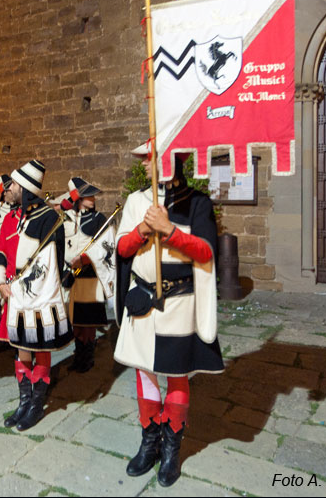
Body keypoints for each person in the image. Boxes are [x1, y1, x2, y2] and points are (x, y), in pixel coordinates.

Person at [114, 147, 224, 486]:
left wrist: (170, 230)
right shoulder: (136, 200)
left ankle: (171, 449)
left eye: (150, 157)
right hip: (142, 300)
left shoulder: (197, 202)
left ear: (171, 159)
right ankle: (150, 444)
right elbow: (121, 249)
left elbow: (207, 251)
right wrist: (143, 232)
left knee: (176, 375)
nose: (144, 163)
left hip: (179, 303)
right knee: (145, 370)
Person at [0, 160, 72, 431]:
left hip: (36, 298)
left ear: (24, 188)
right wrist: (0, 281)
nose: (8, 188)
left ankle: (36, 404)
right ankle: (25, 401)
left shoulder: (49, 219)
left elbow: (52, 264)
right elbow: (1, 249)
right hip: (11, 294)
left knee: (40, 348)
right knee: (20, 347)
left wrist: (28, 292)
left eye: (12, 184)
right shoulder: (11, 217)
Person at [62, 177, 112, 373]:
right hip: (70, 275)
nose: (93, 198)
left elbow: (105, 247)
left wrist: (85, 258)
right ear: (78, 198)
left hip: (90, 275)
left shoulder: (99, 219)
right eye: (87, 195)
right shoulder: (66, 218)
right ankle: (79, 354)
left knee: (88, 320)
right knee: (74, 319)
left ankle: (87, 357)